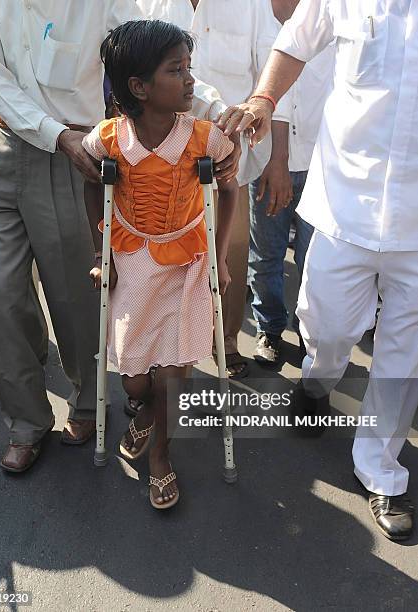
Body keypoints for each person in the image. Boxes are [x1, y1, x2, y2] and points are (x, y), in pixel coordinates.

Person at [218, 0, 417, 540]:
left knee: (405, 347)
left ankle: (381, 468)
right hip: (345, 203)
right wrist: (263, 98)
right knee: (326, 325)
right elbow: (294, 42)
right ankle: (316, 380)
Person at [0, 0, 142, 473]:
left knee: (70, 292)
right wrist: (56, 135)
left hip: (72, 153)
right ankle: (26, 423)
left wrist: (211, 102)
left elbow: (149, 48)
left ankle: (88, 402)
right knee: (4, 296)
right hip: (2, 147)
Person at [83, 20, 238, 509]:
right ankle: (147, 412)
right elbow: (92, 181)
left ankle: (161, 457)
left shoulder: (203, 138)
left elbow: (229, 188)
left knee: (174, 369)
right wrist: (99, 249)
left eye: (188, 68)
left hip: (189, 258)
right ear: (139, 87)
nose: (191, 80)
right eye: (178, 70)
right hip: (133, 257)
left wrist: (222, 253)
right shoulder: (109, 138)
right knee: (134, 377)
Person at [139, 0, 289, 378]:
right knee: (160, 260)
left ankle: (226, 340)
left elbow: (272, 74)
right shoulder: (146, 4)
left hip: (229, 160)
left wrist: (254, 128)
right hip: (159, 162)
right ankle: (158, 361)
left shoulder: (251, 6)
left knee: (229, 255)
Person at [249, 0, 335, 365]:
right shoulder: (254, 14)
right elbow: (267, 98)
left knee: (313, 259)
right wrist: (276, 161)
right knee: (267, 254)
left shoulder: (332, 18)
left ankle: (309, 336)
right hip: (268, 163)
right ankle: (268, 328)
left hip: (323, 166)